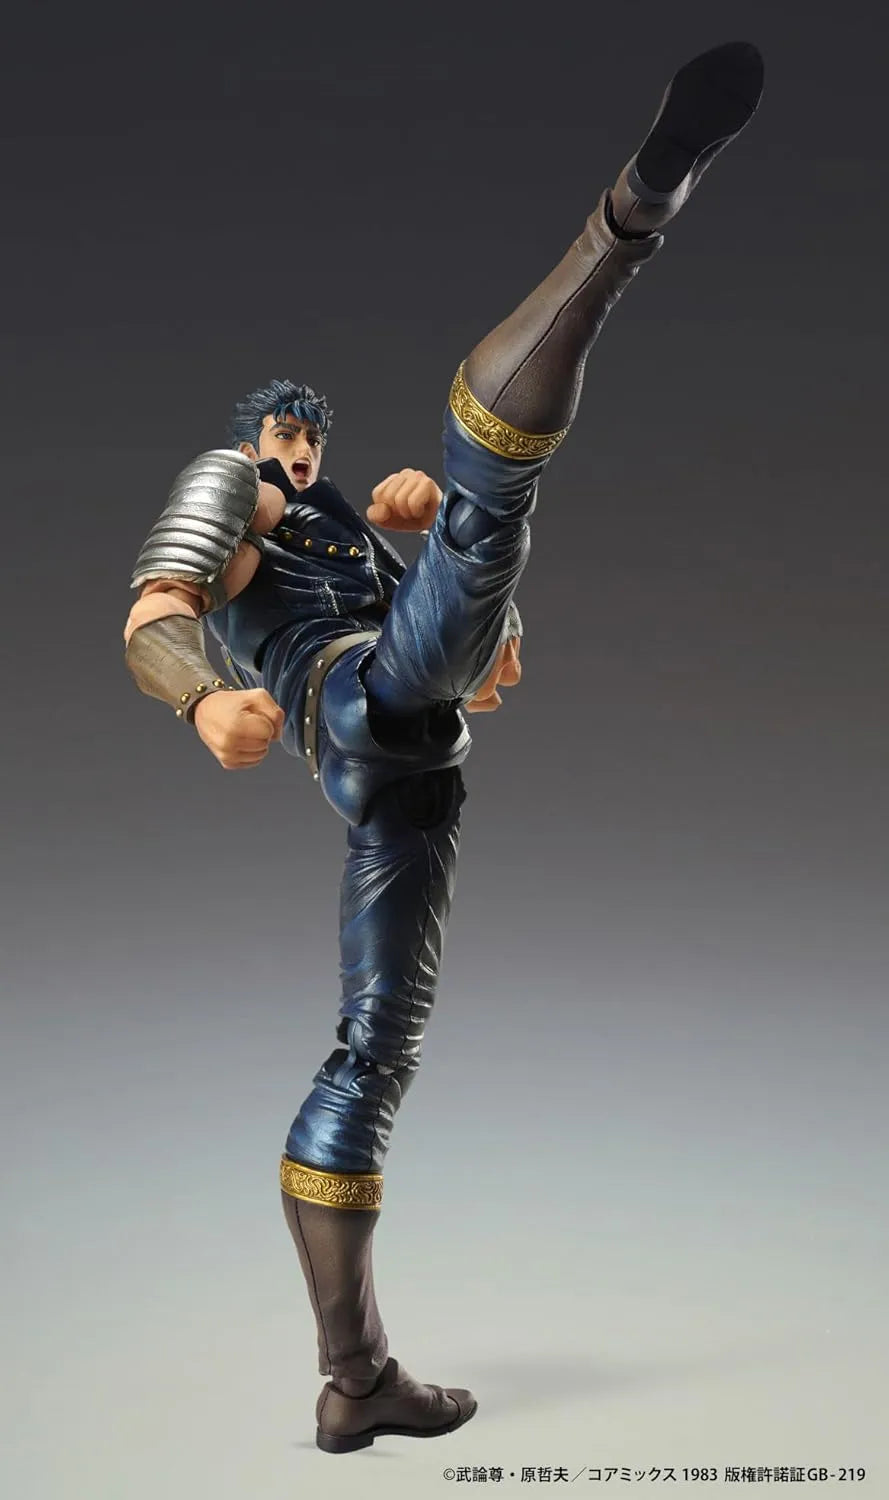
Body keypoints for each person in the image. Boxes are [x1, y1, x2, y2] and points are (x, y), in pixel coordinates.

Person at [123, 40, 764, 1453]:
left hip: (409, 783)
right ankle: (627, 223)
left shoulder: (345, 517)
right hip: (354, 704)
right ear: (251, 439)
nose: (300, 449)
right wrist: (201, 699)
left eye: (310, 435)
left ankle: (353, 1380)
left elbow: (489, 657)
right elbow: (157, 608)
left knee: (373, 1054)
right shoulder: (235, 490)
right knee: (493, 503)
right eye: (284, 432)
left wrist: (428, 561)